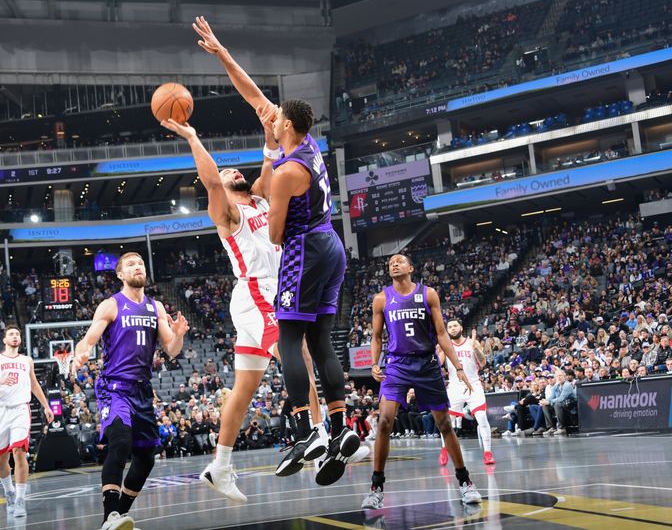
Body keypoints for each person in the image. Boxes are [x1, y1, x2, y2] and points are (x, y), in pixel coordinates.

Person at [193, 16, 357, 486]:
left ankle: (313, 431)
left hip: (302, 252)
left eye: (273, 116)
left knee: (296, 343)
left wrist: (270, 200)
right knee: (317, 342)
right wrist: (222, 53)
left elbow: (278, 234)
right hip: (327, 247)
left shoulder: (278, 177)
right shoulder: (302, 149)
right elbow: (252, 99)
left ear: (284, 123)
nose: (267, 115)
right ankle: (340, 427)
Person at [162, 107, 340, 502]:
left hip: (269, 293)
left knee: (243, 390)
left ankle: (220, 466)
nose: (231, 173)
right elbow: (210, 181)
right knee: (301, 353)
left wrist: (268, 132)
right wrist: (193, 137)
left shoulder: (260, 198)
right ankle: (320, 436)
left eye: (233, 172)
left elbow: (270, 163)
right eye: (227, 175)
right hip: (259, 293)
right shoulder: (226, 210)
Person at [72, 252, 189, 530]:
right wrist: (81, 354)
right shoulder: (111, 305)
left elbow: (171, 350)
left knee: (146, 458)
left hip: (142, 391)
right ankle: (111, 515)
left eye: (141, 264)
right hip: (114, 388)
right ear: (121, 275)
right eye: (131, 265)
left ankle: (115, 518)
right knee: (121, 442)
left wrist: (179, 335)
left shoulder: (155, 307)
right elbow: (88, 340)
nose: (138, 267)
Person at [362, 254, 482, 509]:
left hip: (427, 364)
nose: (394, 264)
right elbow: (375, 336)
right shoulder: (381, 299)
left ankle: (465, 482)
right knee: (384, 421)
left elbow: (441, 333)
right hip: (396, 365)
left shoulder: (428, 294)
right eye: (390, 263)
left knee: (445, 424)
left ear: (411, 268)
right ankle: (376, 487)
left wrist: (458, 367)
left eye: (399, 261)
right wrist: (374, 363)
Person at [0, 324, 54, 518]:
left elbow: (34, 384)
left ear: (20, 340)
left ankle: (21, 499)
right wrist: (0, 381)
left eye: (17, 334)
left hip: (21, 409)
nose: (15, 337)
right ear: (5, 339)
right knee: (0, 460)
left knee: (19, 452)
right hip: (0, 412)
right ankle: (9, 492)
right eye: (11, 334)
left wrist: (46, 406)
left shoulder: (26, 360)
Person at [438, 319, 495, 466]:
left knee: (482, 417)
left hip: (473, 384)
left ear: (461, 328)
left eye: (455, 325)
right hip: (455, 386)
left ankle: (488, 453)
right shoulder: (445, 345)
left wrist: (474, 347)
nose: (452, 328)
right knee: (447, 421)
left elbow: (482, 364)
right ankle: (444, 450)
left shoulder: (472, 342)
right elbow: (438, 365)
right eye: (449, 327)